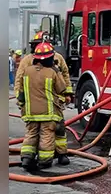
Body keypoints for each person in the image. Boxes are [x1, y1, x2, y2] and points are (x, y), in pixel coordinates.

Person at [16, 32, 73, 165]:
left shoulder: (30, 67)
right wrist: (65, 94)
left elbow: (66, 75)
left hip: (36, 107)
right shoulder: (46, 66)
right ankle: (45, 159)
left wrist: (22, 102)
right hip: (51, 108)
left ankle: (29, 157)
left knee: (34, 133)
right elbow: (62, 84)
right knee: (50, 133)